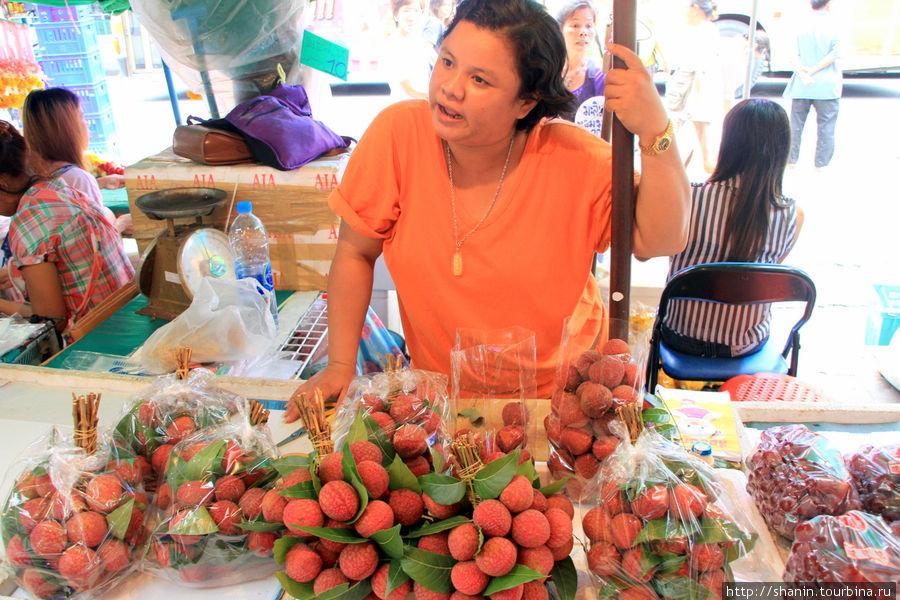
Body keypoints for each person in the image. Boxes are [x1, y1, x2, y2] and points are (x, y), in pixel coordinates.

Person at [285, 0, 690, 419]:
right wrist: (339, 365)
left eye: (479, 79)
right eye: (447, 61)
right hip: (446, 395)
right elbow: (355, 252)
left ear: (526, 102)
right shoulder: (398, 136)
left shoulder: (574, 158)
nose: (450, 87)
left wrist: (657, 131)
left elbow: (662, 238)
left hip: (563, 398)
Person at [662, 99, 804, 358]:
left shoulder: (690, 197)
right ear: (782, 149)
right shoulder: (792, 214)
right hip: (745, 346)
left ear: (728, 143)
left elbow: (647, 250)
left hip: (678, 337)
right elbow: (760, 278)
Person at [0, 120, 134, 336]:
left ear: (3, 183)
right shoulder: (59, 188)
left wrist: (3, 306)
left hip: (96, 339)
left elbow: (53, 321)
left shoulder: (27, 222)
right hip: (126, 316)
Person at [21, 88, 118, 228]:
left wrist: (99, 183)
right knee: (109, 214)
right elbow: (99, 242)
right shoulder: (77, 178)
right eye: (81, 116)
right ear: (67, 127)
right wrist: (122, 223)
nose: (87, 123)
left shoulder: (30, 171)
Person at [666, 0, 724, 174]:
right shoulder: (703, 30)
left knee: (688, 124)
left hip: (693, 84)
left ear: (696, 10)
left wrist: (697, 98)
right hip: (690, 83)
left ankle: (694, 163)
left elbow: (701, 69)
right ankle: (701, 162)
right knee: (692, 126)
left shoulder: (704, 31)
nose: (685, 14)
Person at [783, 0, 840, 170]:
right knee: (826, 127)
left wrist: (803, 72)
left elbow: (792, 55)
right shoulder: (835, 24)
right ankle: (821, 166)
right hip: (827, 87)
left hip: (802, 85)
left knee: (795, 125)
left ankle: (790, 162)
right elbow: (836, 53)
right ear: (828, 3)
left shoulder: (800, 24)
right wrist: (814, 71)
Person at [556, 0, 606, 122]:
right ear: (560, 30)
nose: (583, 32)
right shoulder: (546, 73)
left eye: (589, 25)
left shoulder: (600, 78)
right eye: (575, 25)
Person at [383, 0, 436, 100]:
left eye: (416, 11)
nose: (412, 17)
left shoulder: (420, 42)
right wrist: (434, 96)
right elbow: (409, 90)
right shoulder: (392, 45)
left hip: (422, 105)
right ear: (396, 14)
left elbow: (438, 62)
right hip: (404, 108)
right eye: (406, 11)